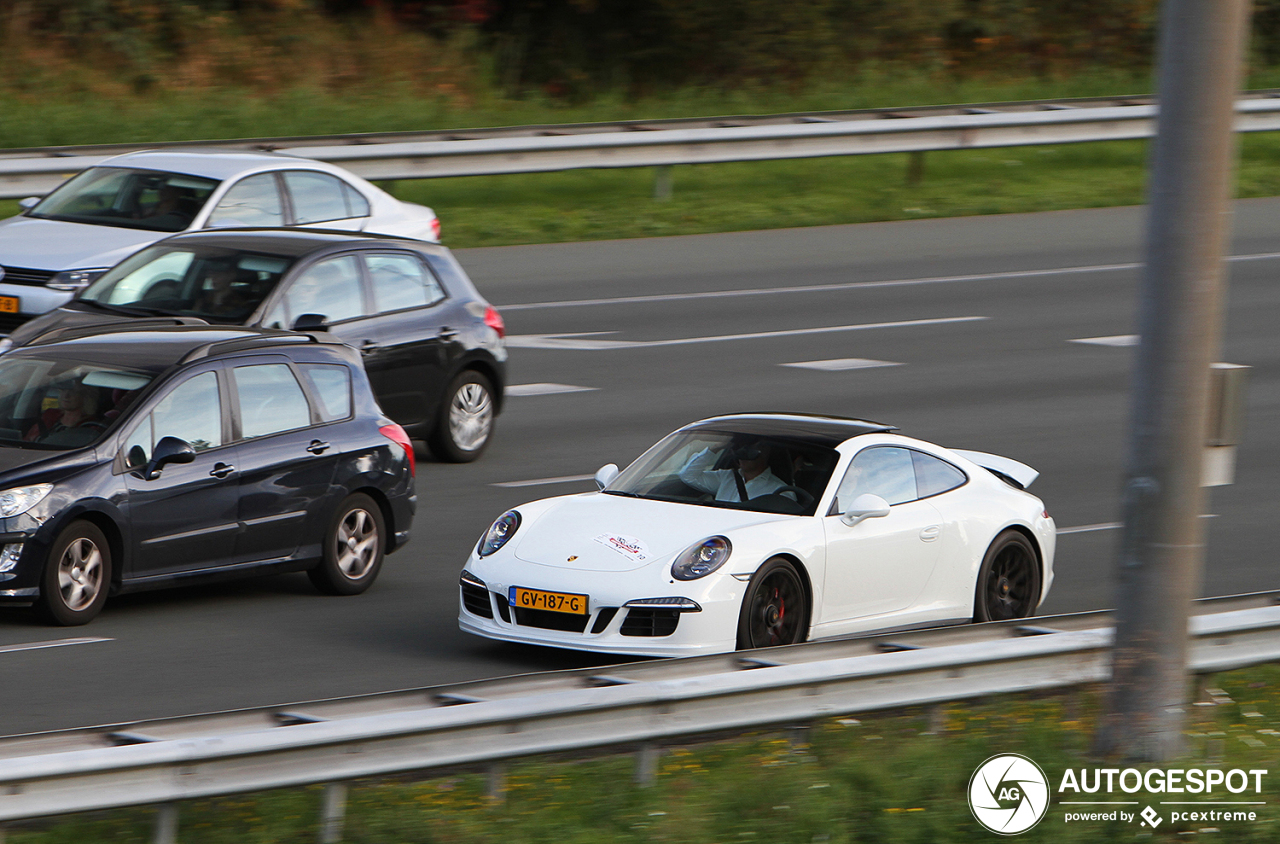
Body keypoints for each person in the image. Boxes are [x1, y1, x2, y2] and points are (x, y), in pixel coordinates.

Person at [679, 438, 789, 503]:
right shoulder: (725, 477)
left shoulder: (780, 490)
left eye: (749, 451)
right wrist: (715, 448)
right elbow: (687, 476)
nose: (742, 456)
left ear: (765, 453)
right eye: (739, 451)